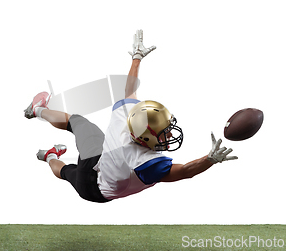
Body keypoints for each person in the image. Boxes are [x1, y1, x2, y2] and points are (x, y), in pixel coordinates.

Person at [24, 30, 237, 203]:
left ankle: (41, 119)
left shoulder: (125, 118)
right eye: (164, 131)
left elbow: (129, 92)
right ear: (147, 138)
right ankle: (48, 149)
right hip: (94, 189)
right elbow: (185, 172)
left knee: (76, 122)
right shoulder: (146, 161)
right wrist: (209, 159)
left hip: (100, 162)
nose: (170, 132)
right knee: (66, 171)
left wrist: (136, 58)